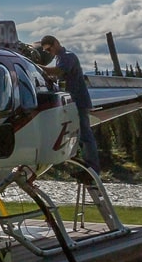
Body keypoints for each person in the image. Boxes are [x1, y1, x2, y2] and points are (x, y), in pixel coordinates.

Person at [39, 35, 101, 172]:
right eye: (47, 51)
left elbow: (58, 71)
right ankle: (85, 165)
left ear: (56, 43)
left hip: (79, 101)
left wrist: (38, 67)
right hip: (71, 103)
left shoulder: (67, 56)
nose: (49, 53)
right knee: (77, 135)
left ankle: (93, 167)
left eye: (49, 49)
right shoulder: (60, 58)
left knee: (85, 135)